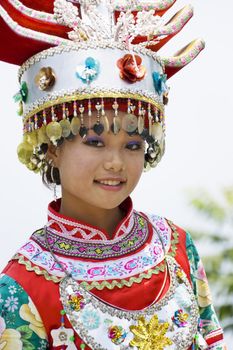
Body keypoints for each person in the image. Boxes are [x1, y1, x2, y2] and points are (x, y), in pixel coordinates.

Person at [0, 0, 226, 349]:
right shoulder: (21, 285)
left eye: (133, 145)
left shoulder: (177, 247)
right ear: (52, 146)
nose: (116, 162)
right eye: (95, 141)